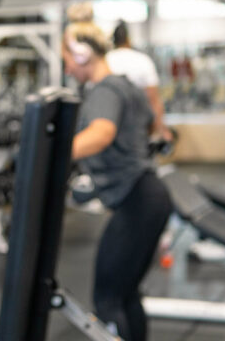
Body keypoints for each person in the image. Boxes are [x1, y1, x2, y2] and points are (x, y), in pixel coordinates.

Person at [64, 21, 172, 341]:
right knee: (126, 294)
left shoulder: (105, 90)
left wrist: (49, 153)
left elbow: (102, 133)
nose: (67, 68)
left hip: (137, 201)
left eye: (68, 59)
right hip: (151, 196)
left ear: (83, 56)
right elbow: (153, 126)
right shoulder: (127, 87)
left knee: (108, 298)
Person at [107, 21, 173, 141]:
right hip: (138, 125)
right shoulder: (143, 60)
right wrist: (161, 129)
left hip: (111, 122)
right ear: (128, 39)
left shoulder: (106, 60)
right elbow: (154, 99)